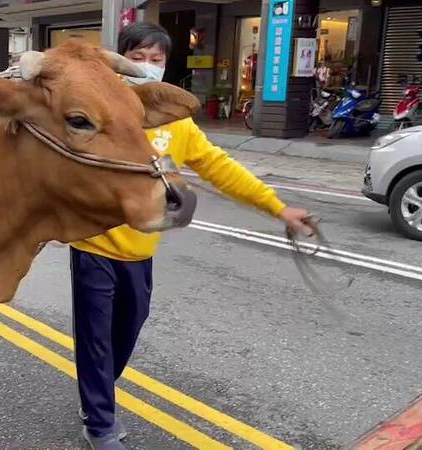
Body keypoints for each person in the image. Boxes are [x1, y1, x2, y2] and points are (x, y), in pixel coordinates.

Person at [70, 22, 313, 450]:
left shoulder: (176, 125)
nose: (147, 68)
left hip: (141, 252)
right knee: (96, 340)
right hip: (94, 248)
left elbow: (221, 168)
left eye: (156, 60)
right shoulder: (100, 112)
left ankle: (97, 397)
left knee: (126, 332)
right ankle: (99, 423)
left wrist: (279, 208)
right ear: (120, 60)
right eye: (138, 58)